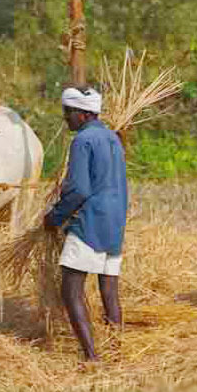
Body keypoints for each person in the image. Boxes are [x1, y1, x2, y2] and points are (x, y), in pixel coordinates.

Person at [43, 87, 128, 361]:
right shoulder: (113, 138)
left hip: (90, 223)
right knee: (109, 289)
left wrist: (54, 217)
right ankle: (116, 350)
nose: (65, 118)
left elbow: (78, 190)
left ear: (81, 114)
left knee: (70, 290)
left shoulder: (83, 140)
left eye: (67, 112)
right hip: (115, 223)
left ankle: (92, 357)